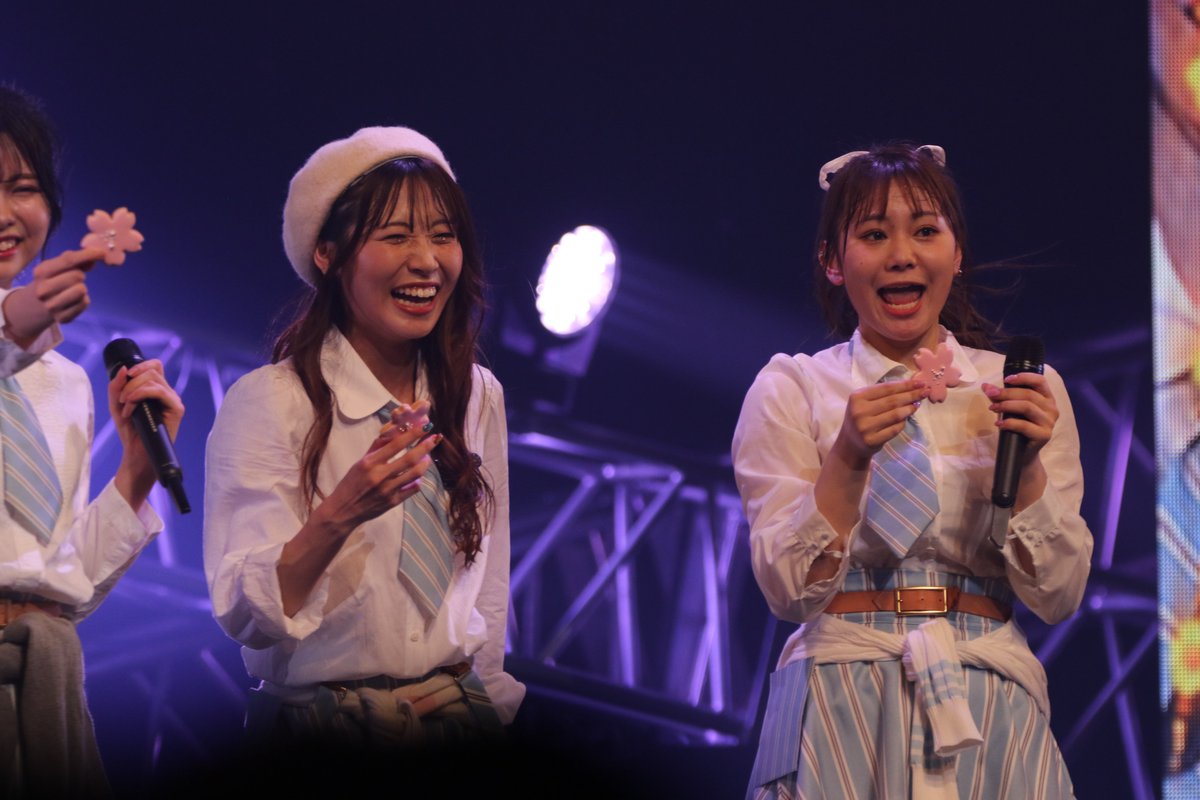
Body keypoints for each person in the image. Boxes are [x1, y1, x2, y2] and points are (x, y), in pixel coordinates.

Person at [732, 143, 1092, 799]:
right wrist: (847, 456)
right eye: (874, 235)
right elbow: (786, 592)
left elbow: (1059, 596)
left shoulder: (1018, 389)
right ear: (833, 261)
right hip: (840, 690)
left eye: (926, 231)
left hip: (986, 694)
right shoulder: (795, 388)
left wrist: (1028, 469)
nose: (902, 254)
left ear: (957, 254)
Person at [203, 126, 524, 759]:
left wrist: (492, 703)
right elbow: (242, 612)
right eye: (396, 236)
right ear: (327, 254)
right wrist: (341, 512)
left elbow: (489, 591)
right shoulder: (273, 400)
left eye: (443, 234)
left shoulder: (476, 393)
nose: (426, 260)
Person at [0, 85, 184, 796]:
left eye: (23, 188)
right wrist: (13, 330)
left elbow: (63, 586)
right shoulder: (21, 339)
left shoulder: (66, 381)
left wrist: (136, 472)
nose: (6, 212)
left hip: (43, 694)